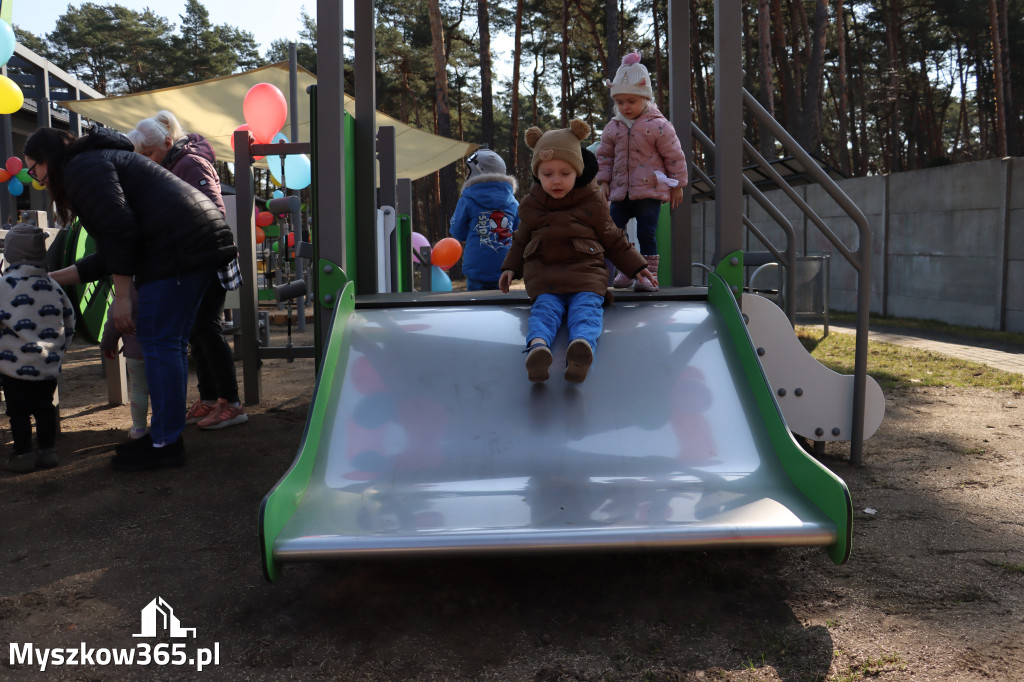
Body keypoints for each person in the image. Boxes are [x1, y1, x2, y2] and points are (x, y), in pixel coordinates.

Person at [29, 125, 237, 472]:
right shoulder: (93, 163)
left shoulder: (82, 169)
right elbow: (111, 252)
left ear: (47, 161)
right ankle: (163, 437)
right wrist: (49, 279)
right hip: (191, 243)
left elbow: (120, 233)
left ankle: (166, 443)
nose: (34, 176)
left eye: (33, 166)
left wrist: (122, 298)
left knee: (160, 342)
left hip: (181, 248)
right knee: (164, 343)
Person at [499, 120, 656, 384]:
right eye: (547, 174)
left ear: (578, 171)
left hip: (586, 277)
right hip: (546, 280)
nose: (556, 181)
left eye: (564, 173)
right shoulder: (532, 205)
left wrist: (638, 267)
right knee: (543, 311)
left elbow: (613, 238)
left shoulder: (592, 201)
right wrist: (509, 268)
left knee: (586, 308)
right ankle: (538, 348)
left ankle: (581, 347)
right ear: (538, 175)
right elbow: (520, 240)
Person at [129, 111, 247, 430]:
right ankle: (210, 398)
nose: (148, 162)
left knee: (207, 327)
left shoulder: (190, 164)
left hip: (205, 257)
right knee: (197, 328)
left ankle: (232, 402)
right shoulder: (174, 164)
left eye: (150, 155)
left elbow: (212, 211)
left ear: (167, 142)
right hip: (193, 258)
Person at [596, 51, 688, 292]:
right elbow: (604, 156)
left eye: (632, 101)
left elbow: (674, 155)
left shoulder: (658, 126)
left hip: (649, 190)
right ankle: (627, 271)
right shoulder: (612, 127)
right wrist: (603, 181)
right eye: (620, 102)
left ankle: (649, 276)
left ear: (645, 99)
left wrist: (677, 184)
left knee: (647, 233)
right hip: (620, 192)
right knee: (614, 233)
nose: (625, 107)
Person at [0, 223, 76, 473]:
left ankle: (22, 454)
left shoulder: (5, 284)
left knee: (18, 412)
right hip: (47, 362)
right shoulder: (52, 285)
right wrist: (60, 349)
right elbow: (69, 318)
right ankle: (47, 451)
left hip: (13, 365)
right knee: (45, 407)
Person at [448, 148, 520, 291]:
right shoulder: (513, 203)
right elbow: (519, 233)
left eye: (469, 171)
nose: (467, 175)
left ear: (478, 171)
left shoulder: (467, 200)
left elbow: (457, 233)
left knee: (477, 308)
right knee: (502, 308)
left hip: (476, 269)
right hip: (505, 268)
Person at [99, 284, 148, 443]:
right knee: (161, 390)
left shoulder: (128, 291)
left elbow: (113, 321)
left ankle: (139, 428)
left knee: (139, 389)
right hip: (163, 351)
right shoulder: (163, 285)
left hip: (136, 353)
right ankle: (163, 424)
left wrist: (108, 344)